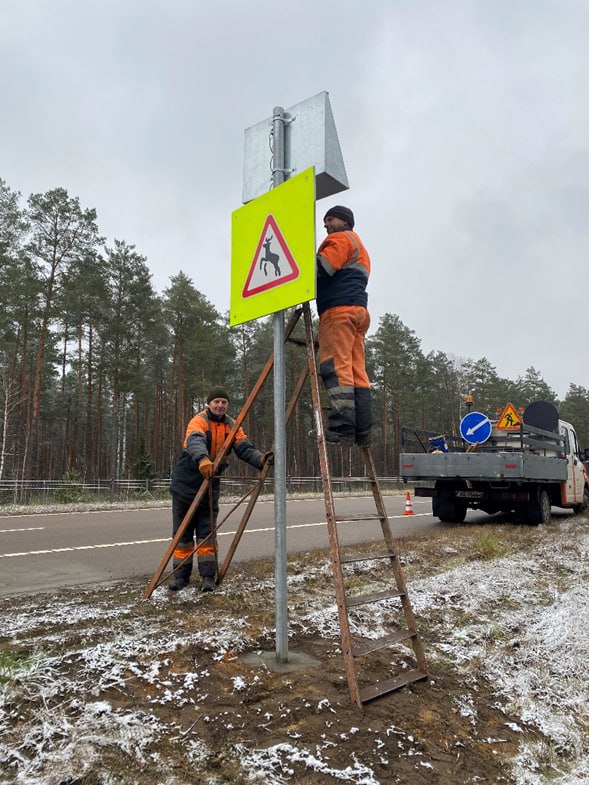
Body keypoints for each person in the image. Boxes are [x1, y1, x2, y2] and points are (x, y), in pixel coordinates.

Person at [169, 387, 273, 592]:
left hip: (210, 485)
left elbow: (245, 448)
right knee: (183, 534)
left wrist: (261, 459)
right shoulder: (199, 421)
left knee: (207, 533)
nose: (220, 405)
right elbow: (194, 441)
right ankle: (181, 576)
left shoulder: (232, 425)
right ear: (209, 404)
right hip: (186, 484)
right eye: (216, 402)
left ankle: (208, 576)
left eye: (223, 402)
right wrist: (203, 459)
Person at [316, 205, 373, 447]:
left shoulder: (340, 239)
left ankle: (342, 428)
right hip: (358, 312)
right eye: (325, 221)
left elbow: (322, 268)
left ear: (344, 221)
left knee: (335, 366)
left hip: (338, 312)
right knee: (356, 371)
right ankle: (363, 431)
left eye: (330, 220)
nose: (326, 225)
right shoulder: (362, 249)